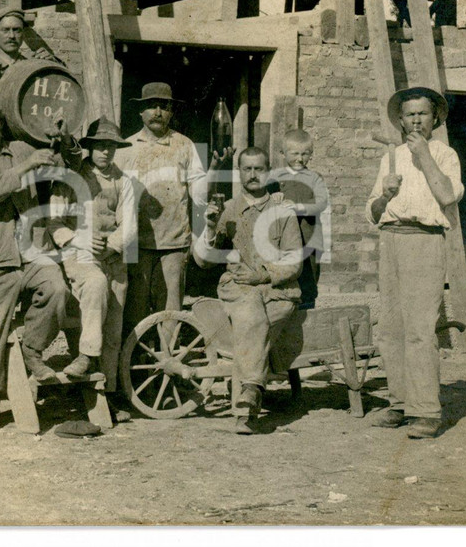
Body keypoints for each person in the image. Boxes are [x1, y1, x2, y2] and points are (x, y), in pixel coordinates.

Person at [0, 101, 77, 431]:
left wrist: (62, 140)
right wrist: (26, 167)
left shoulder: (21, 149)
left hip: (31, 253)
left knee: (57, 290)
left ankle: (32, 351)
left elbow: (61, 167)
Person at [366, 87, 464, 439]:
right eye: (410, 115)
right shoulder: (390, 157)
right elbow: (373, 212)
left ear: (435, 118)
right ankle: (400, 402)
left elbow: (447, 195)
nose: (417, 120)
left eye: (423, 114)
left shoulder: (445, 154)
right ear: (401, 120)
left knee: (421, 329)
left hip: (425, 240)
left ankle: (425, 411)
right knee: (391, 328)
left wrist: (424, 156)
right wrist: (385, 195)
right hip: (391, 239)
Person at [194, 147, 303, 435]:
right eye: (247, 169)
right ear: (239, 172)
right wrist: (209, 227)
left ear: (268, 172)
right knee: (251, 314)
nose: (253, 175)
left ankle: (246, 399)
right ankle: (251, 393)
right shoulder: (227, 209)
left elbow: (294, 263)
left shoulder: (283, 212)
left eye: (259, 169)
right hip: (240, 290)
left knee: (250, 325)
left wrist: (263, 275)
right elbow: (203, 262)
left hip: (278, 293)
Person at [49, 117, 137, 420]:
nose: (105, 152)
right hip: (80, 256)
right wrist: (81, 240)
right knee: (95, 292)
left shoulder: (123, 181)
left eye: (110, 147)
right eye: (100, 146)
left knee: (113, 331)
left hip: (114, 259)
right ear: (89, 147)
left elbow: (129, 226)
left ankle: (108, 396)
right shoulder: (71, 177)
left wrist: (111, 246)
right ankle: (85, 363)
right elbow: (55, 223)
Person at [116, 82, 206, 332]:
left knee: (170, 311)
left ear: (171, 112)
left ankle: (167, 353)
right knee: (136, 309)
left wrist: (198, 234)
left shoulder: (185, 145)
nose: (157, 112)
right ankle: (137, 356)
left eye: (164, 107)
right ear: (140, 111)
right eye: (151, 106)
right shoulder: (126, 147)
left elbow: (199, 194)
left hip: (174, 242)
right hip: (137, 243)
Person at [267, 129, 330, 309]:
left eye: (305, 154)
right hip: (284, 241)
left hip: (309, 238)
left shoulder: (315, 178)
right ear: (283, 153)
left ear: (311, 154)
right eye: (295, 153)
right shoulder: (274, 178)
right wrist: (273, 198)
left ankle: (308, 311)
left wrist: (298, 207)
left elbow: (321, 203)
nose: (300, 159)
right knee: (285, 278)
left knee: (308, 280)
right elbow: (264, 203)